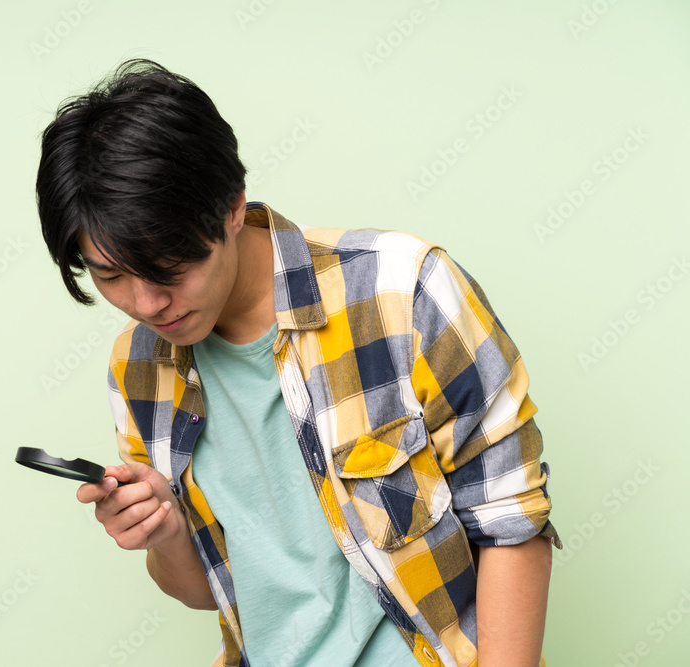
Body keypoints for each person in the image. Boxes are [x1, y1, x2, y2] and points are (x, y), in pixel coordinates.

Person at [35, 58, 562, 667]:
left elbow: (512, 523)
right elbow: (210, 592)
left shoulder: (403, 293)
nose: (147, 303)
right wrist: (166, 534)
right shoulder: (137, 368)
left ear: (232, 207)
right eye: (111, 276)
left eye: (170, 268)